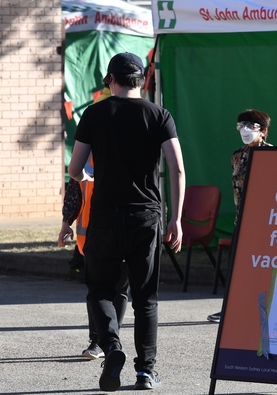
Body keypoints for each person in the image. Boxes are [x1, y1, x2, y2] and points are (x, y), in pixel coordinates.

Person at [68, 52, 185, 392]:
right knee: (146, 298)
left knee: (101, 290)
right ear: (142, 80)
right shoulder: (159, 114)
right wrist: (175, 219)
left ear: (111, 79)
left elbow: (75, 169)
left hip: (105, 216)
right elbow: (176, 168)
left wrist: (90, 169)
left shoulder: (94, 113)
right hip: (145, 217)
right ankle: (146, 372)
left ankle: (111, 347)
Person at [58, 155, 129, 360]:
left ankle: (110, 340)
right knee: (100, 290)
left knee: (117, 289)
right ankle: (99, 341)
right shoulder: (88, 152)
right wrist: (66, 221)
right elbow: (75, 189)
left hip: (122, 229)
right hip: (93, 234)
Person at [207, 109, 271, 323]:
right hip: (241, 222)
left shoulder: (274, 155)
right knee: (238, 269)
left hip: (267, 224)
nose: (244, 130)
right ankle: (231, 309)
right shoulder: (237, 155)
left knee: (264, 268)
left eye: (250, 126)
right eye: (241, 125)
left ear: (263, 131)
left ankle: (266, 310)